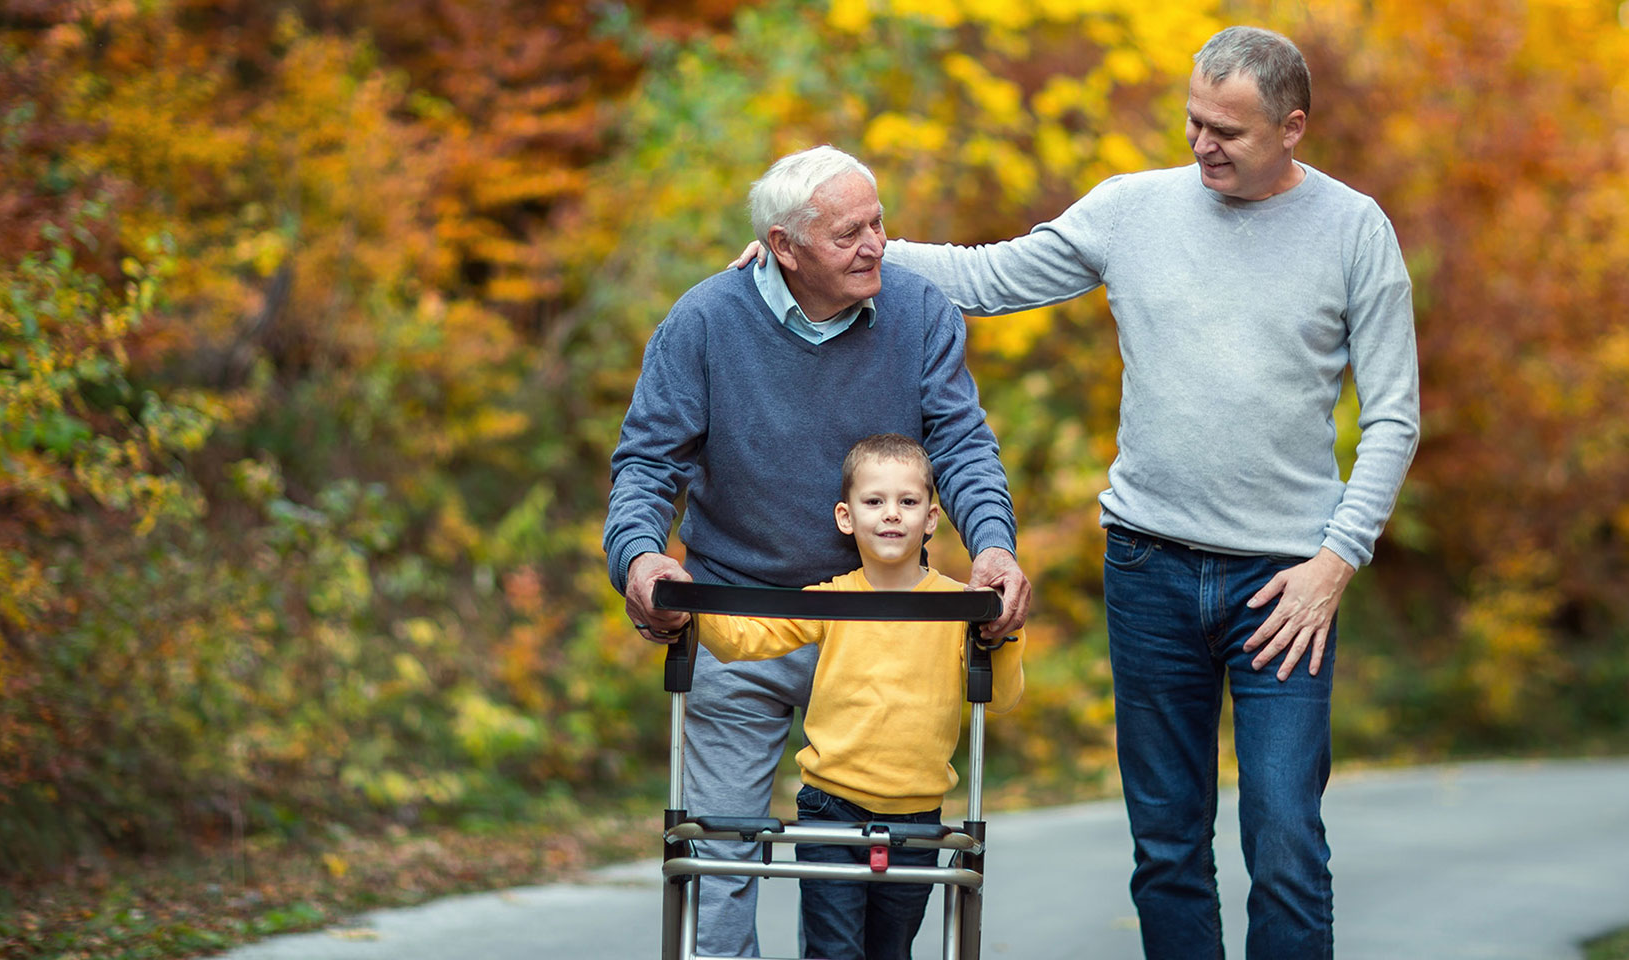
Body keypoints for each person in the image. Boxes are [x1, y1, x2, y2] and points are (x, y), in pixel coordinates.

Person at [735, 24, 1419, 959]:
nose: (1203, 145)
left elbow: (1393, 418)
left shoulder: (1353, 229)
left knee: (1287, 838)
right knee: (1168, 844)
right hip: (1150, 567)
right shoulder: (1132, 209)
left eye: (1230, 131)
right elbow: (988, 276)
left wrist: (1336, 563)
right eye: (1193, 122)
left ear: (1293, 127)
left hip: (1286, 584)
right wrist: (825, 251)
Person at [604, 145, 1031, 958]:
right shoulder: (702, 322)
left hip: (887, 630)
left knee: (889, 873)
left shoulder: (920, 313)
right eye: (849, 234)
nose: (876, 244)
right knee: (720, 853)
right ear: (783, 246)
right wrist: (641, 558)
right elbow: (648, 463)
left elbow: (964, 447)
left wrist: (994, 548)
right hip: (747, 616)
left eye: (877, 221)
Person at [686, 433, 1025, 960]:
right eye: (875, 501)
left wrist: (1002, 634)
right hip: (831, 807)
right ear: (847, 517)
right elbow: (744, 639)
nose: (892, 514)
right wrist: (688, 602)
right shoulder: (833, 599)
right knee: (834, 949)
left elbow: (1001, 696)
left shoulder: (960, 605)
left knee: (891, 950)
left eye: (908, 502)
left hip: (918, 814)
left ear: (932, 518)